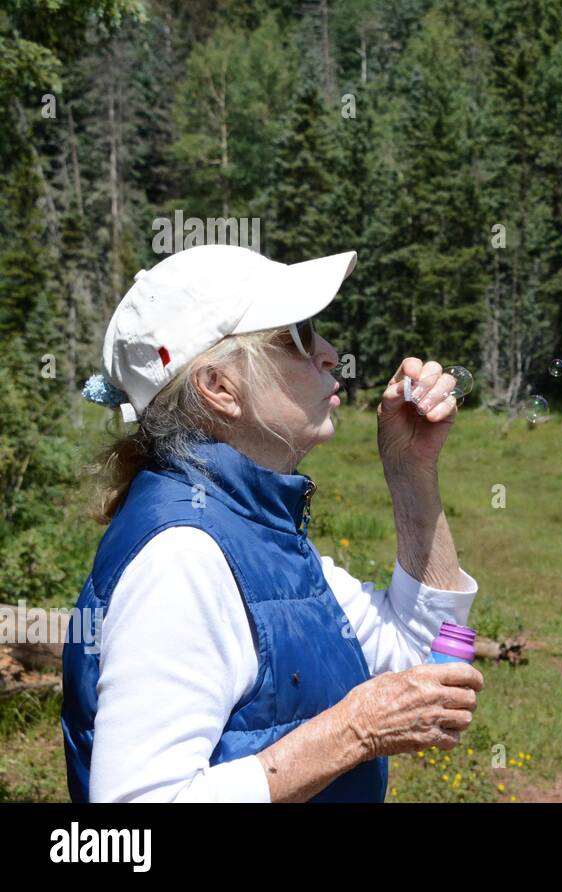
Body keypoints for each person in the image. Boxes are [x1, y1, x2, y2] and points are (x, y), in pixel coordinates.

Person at [61, 244, 484, 802]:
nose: (329, 352)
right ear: (219, 388)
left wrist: (411, 469)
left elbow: (414, 652)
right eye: (297, 338)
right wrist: (353, 731)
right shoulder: (183, 556)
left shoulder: (247, 528)